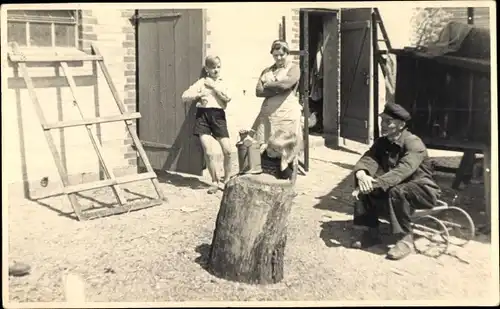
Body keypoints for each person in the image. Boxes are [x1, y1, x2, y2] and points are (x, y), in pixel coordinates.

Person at [351, 102, 441, 260]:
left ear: (401, 125)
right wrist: (361, 174)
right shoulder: (382, 142)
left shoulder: (413, 143)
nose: (383, 125)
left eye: (388, 121)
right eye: (382, 120)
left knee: (395, 190)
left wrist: (374, 184)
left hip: (422, 190)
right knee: (363, 182)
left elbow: (402, 171)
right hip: (397, 186)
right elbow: (368, 159)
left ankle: (405, 239)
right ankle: (371, 232)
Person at [181, 55, 232, 194]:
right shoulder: (201, 82)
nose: (216, 70)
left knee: (227, 150)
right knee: (209, 152)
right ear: (207, 69)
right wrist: (199, 94)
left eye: (218, 67)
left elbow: (227, 99)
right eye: (213, 67)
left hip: (218, 116)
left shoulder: (222, 82)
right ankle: (215, 181)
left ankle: (227, 179)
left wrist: (214, 88)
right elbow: (184, 96)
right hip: (203, 116)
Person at [252, 39, 303, 162]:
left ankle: (287, 172)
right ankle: (268, 170)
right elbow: (258, 92)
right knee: (267, 144)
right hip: (269, 114)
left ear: (287, 54)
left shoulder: (294, 68)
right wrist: (278, 88)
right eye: (275, 55)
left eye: (282, 54)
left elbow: (285, 85)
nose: (279, 58)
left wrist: (268, 85)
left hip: (287, 114)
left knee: (286, 146)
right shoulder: (267, 71)